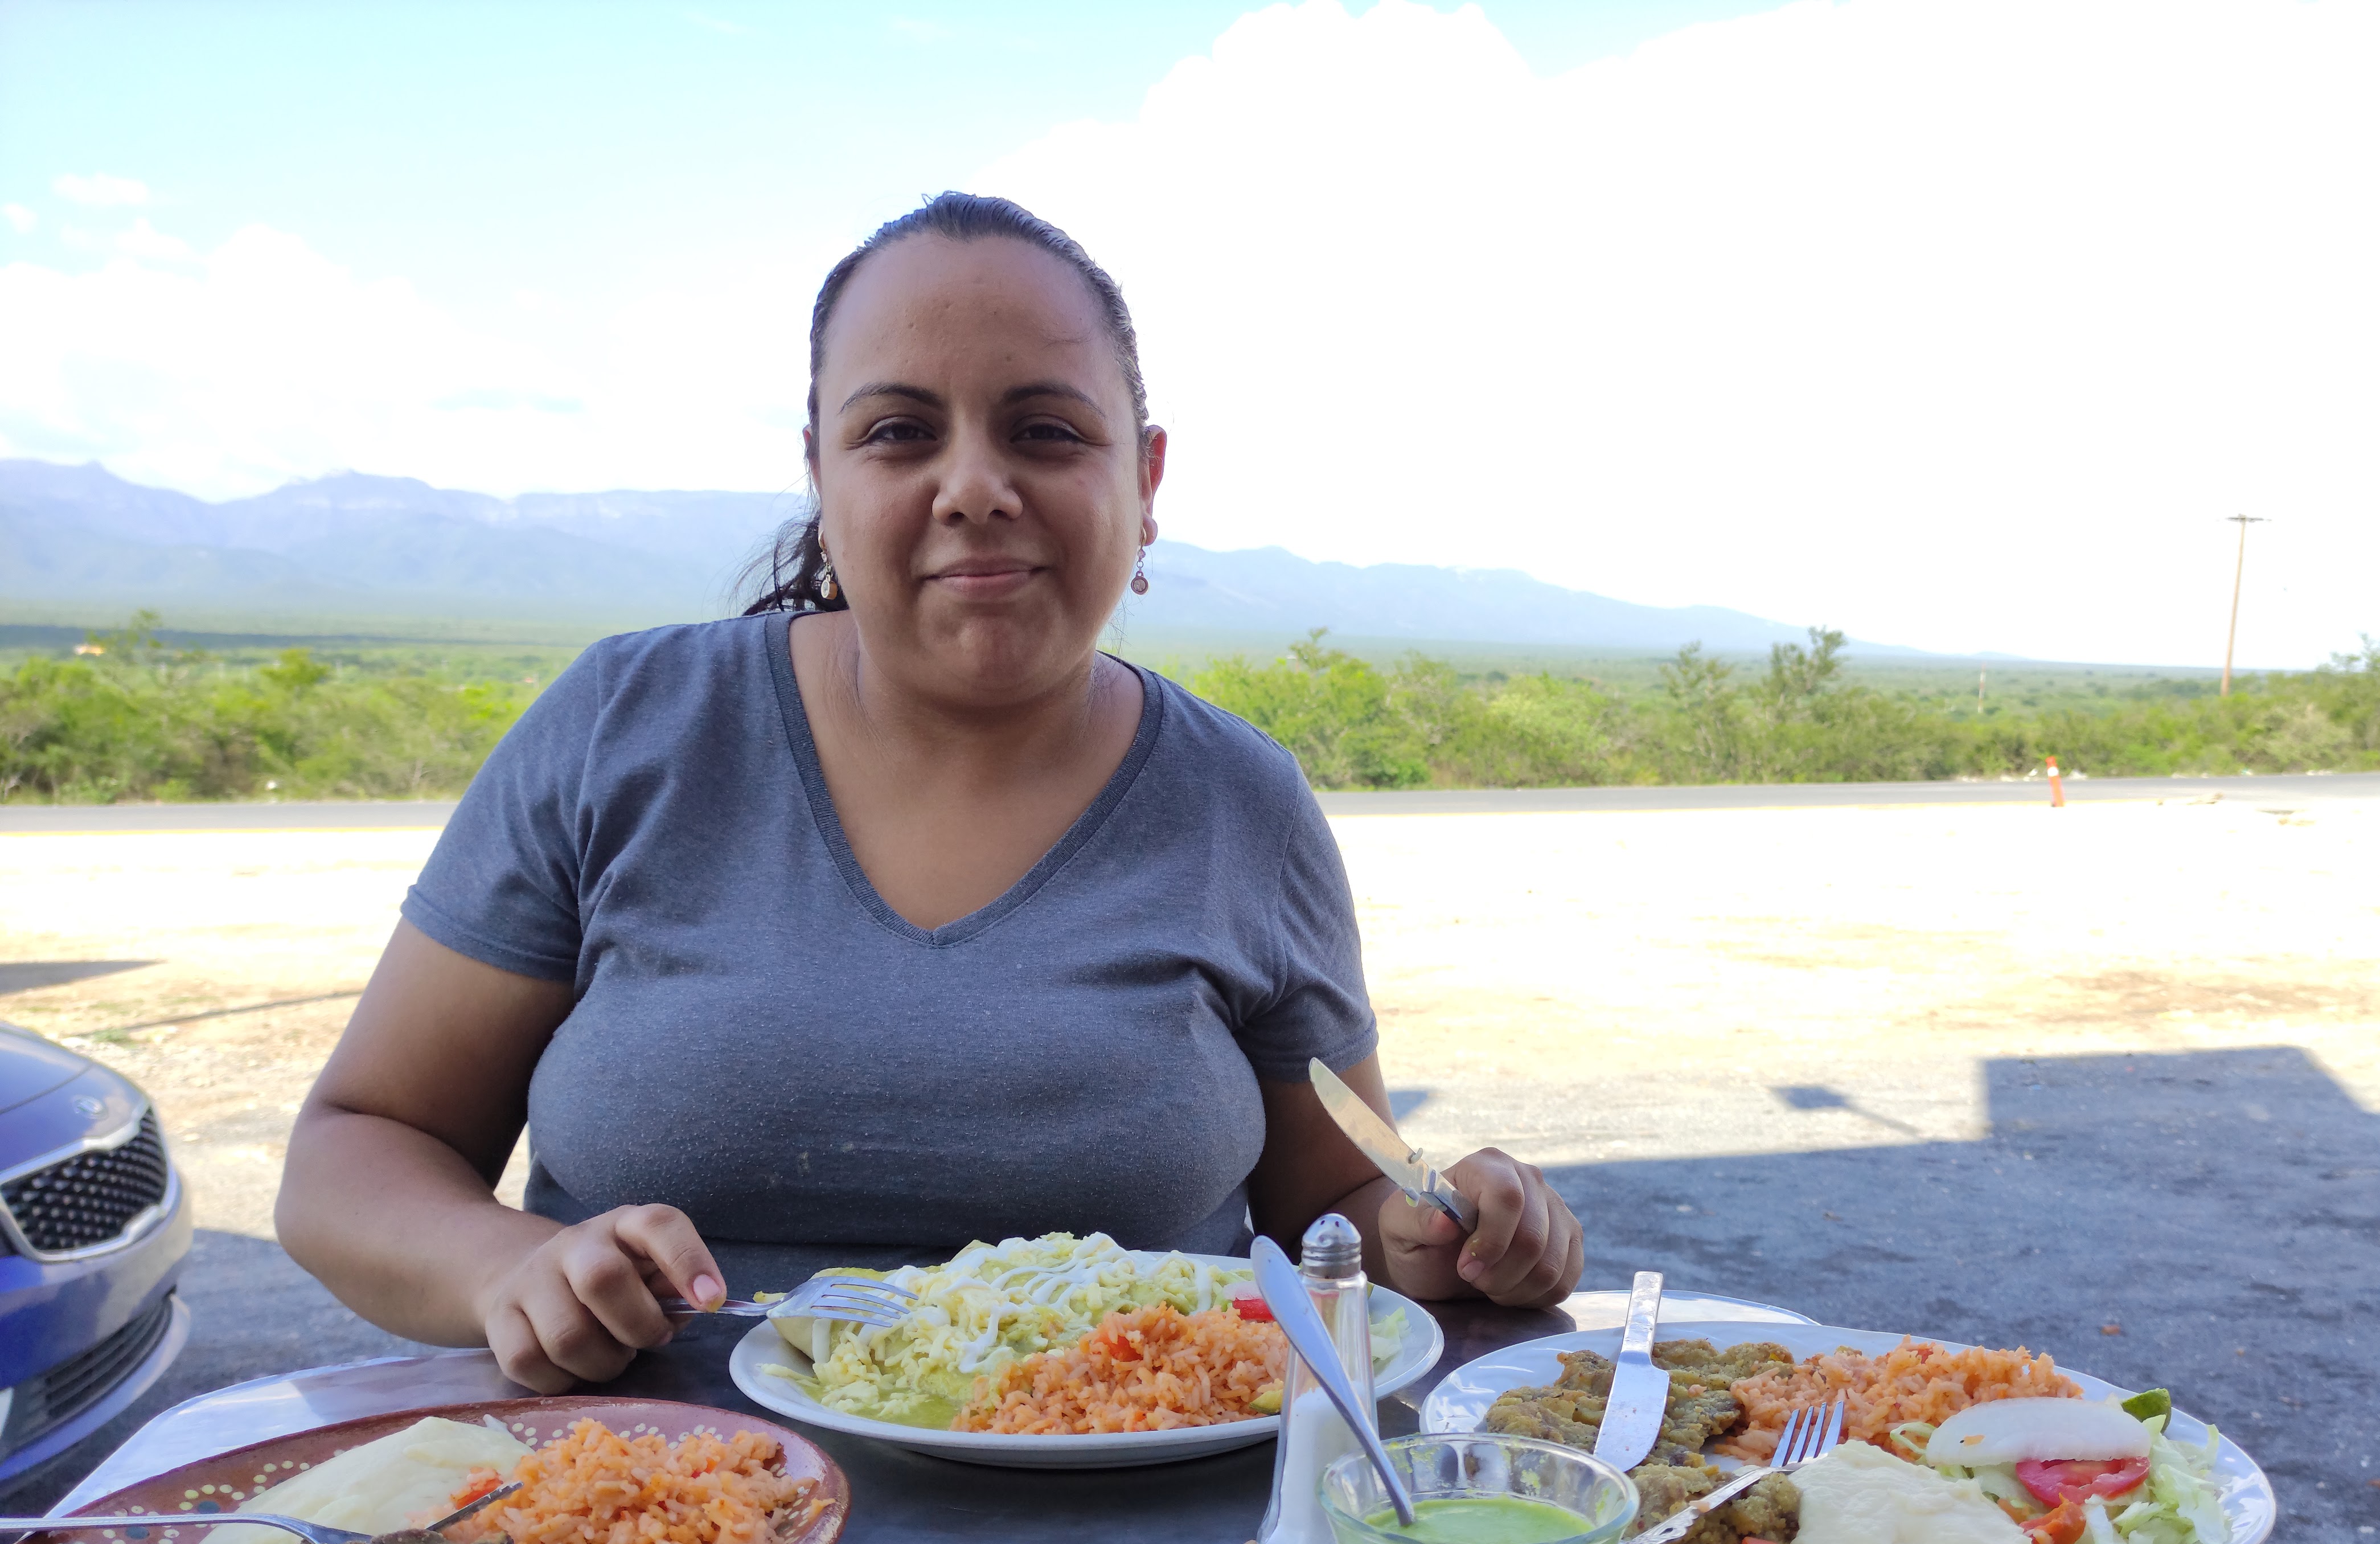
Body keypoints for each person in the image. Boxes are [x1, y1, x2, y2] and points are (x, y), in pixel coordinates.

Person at [278, 194, 1585, 1395]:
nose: (974, 487)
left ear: (1145, 481)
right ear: (822, 471)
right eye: (899, 431)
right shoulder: (626, 727)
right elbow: (357, 1144)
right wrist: (504, 1266)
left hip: (1133, 1517)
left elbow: (1334, 1214)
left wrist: (1444, 1234)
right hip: (655, 1510)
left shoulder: (1241, 800)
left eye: (1046, 430)